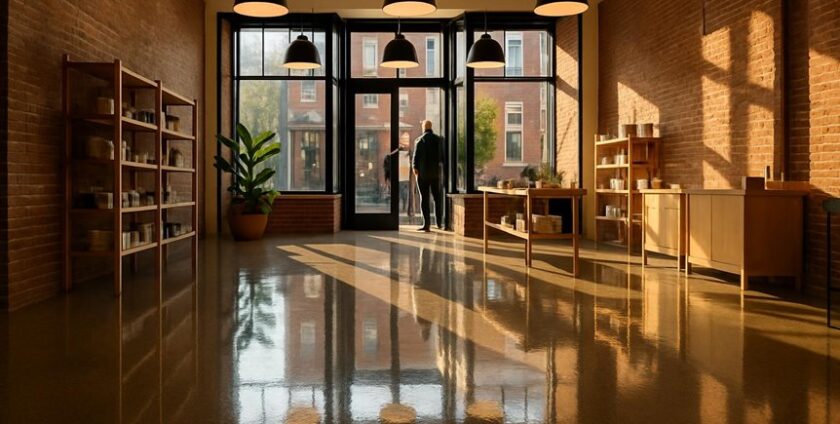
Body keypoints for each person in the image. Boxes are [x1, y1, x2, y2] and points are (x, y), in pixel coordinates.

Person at [412, 120, 444, 232]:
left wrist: (415, 170)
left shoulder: (419, 141)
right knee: (437, 199)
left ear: (423, 128)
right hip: (436, 174)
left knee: (424, 199)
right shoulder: (439, 140)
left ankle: (426, 225)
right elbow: (443, 158)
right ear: (431, 127)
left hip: (423, 175)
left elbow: (415, 160)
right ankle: (439, 223)